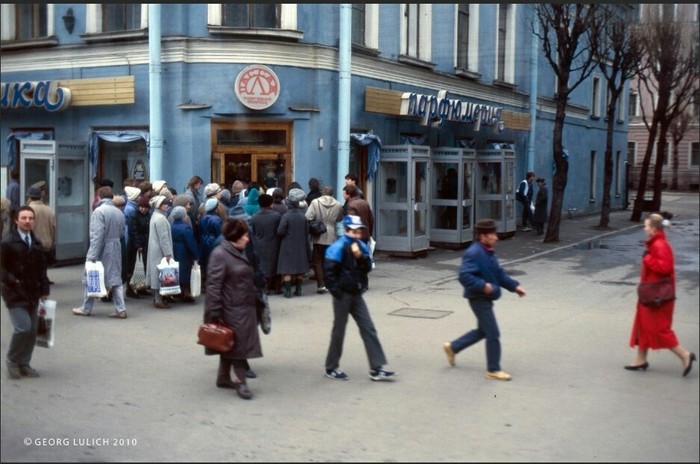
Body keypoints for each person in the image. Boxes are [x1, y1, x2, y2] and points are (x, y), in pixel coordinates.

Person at [443, 219, 526, 381]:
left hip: (484, 297)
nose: (496, 237)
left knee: (483, 331)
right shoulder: (474, 253)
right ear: (483, 236)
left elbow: (499, 274)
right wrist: (482, 286)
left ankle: (453, 347)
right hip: (478, 298)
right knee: (493, 333)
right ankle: (493, 370)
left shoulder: (488, 251)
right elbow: (464, 275)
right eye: (493, 234)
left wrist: (515, 287)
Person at [323, 215, 397, 382]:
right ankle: (331, 367)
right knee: (339, 331)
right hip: (344, 294)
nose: (356, 233)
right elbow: (329, 272)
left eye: (358, 230)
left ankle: (376, 368)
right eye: (354, 230)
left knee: (368, 328)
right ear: (347, 230)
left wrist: (360, 258)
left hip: (355, 293)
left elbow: (367, 267)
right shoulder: (338, 247)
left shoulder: (361, 246)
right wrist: (337, 292)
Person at [625, 213, 696, 377]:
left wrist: (648, 259)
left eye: (646, 226)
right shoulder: (656, 243)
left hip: (658, 297)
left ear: (654, 228)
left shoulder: (660, 245)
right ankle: (640, 359)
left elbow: (665, 268)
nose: (644, 228)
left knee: (659, 329)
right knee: (643, 325)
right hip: (652, 294)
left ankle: (685, 355)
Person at [204, 218, 263, 400]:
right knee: (238, 346)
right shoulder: (220, 254)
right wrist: (215, 311)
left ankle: (223, 378)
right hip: (230, 308)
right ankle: (241, 382)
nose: (248, 239)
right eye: (245, 235)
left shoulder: (238, 250)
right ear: (235, 236)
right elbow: (213, 285)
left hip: (243, 306)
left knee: (229, 343)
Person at [1, 206, 50, 379]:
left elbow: (42, 269)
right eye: (24, 218)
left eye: (30, 218)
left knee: (32, 330)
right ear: (16, 221)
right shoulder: (7, 243)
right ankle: (12, 360)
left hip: (33, 291)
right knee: (23, 327)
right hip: (14, 292)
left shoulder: (36, 243)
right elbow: (2, 269)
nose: (27, 221)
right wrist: (13, 281)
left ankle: (24, 363)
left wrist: (45, 289)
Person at [72, 187, 128, 318]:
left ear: (99, 197)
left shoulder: (98, 212)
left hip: (103, 247)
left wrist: (92, 256)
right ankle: (121, 309)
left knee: (91, 275)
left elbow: (97, 235)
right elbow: (121, 232)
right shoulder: (119, 212)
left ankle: (86, 308)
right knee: (115, 278)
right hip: (116, 246)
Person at [305, 186, 344, 294]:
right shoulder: (338, 204)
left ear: (323, 193)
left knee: (317, 261)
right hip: (331, 234)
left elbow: (308, 216)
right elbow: (340, 218)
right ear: (332, 194)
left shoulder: (315, 202)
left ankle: (321, 285)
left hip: (318, 234)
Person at [277, 188, 310, 298]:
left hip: (287, 245)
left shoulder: (286, 216)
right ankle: (299, 290)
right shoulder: (303, 217)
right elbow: (307, 232)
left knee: (287, 270)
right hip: (300, 245)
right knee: (299, 269)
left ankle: (287, 292)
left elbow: (280, 231)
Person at [146, 195, 174, 309]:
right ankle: (158, 299)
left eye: (167, 203)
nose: (166, 205)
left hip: (155, 249)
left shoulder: (155, 216)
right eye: (164, 204)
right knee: (161, 274)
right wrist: (168, 253)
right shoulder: (161, 219)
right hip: (160, 251)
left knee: (157, 273)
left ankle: (158, 298)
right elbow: (164, 238)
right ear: (158, 205)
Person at [251, 194, 282, 295]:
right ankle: (277, 287)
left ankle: (265, 287)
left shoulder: (254, 217)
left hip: (260, 244)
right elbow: (279, 230)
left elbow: (253, 232)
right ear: (270, 204)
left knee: (263, 265)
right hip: (274, 243)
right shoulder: (276, 216)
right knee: (275, 265)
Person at [171, 206, 200, 303]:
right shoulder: (185, 227)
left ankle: (177, 292)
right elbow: (190, 243)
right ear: (183, 215)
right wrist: (196, 255)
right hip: (184, 252)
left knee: (177, 271)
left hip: (174, 251)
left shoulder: (171, 226)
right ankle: (186, 293)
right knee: (185, 273)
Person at [126, 195, 152, 298]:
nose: (143, 209)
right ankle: (130, 289)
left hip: (144, 242)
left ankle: (140, 287)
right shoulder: (134, 215)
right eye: (142, 207)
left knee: (142, 266)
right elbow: (133, 231)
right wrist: (138, 245)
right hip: (135, 245)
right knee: (133, 267)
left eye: (145, 207)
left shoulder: (147, 215)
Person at [26, 187, 56, 269]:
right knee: (43, 266)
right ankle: (44, 279)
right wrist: (52, 241)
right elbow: (54, 228)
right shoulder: (49, 209)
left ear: (30, 198)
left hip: (32, 245)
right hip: (47, 243)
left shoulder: (28, 210)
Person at [199, 198, 223, 290]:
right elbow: (219, 232)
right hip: (213, 241)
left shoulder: (203, 218)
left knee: (205, 262)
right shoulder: (217, 219)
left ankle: (205, 282)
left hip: (203, 240)